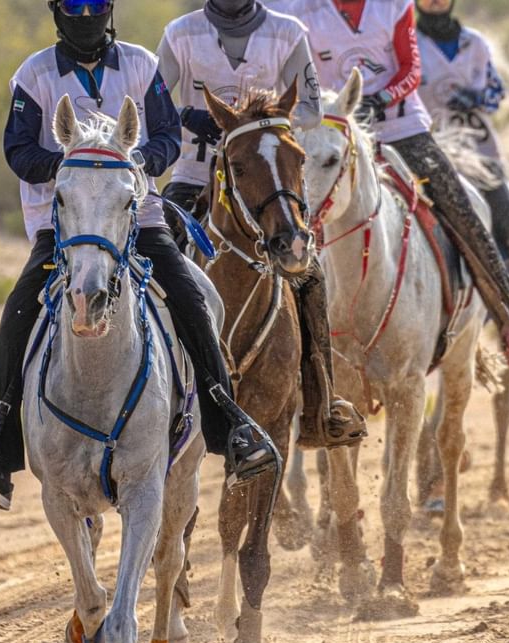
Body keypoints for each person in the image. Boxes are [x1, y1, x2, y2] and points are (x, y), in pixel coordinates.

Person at [0, 0, 276, 510]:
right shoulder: (32, 76)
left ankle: (230, 428)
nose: (85, 12)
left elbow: (167, 135)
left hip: (135, 219)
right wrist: (76, 164)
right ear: (57, 12)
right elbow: (18, 152)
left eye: (95, 3)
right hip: (66, 231)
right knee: (13, 320)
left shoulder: (142, 65)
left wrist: (135, 161)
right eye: (73, 4)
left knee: (191, 301)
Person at [267, 0, 509, 369]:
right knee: (287, 209)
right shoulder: (299, 10)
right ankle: (276, 339)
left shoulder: (394, 6)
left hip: (401, 128)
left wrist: (380, 99)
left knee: (460, 208)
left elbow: (411, 70)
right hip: (330, 132)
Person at [157, 0, 367, 450]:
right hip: (195, 177)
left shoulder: (288, 32)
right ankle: (144, 400)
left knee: (308, 276)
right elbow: (152, 104)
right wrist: (193, 118)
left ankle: (320, 406)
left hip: (266, 181)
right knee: (150, 262)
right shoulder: (180, 33)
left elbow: (309, 108)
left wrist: (256, 117)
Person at [415, 0, 509, 313]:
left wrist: (476, 97)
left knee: (507, 213)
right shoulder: (408, 41)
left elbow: (497, 92)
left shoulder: (475, 42)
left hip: (479, 149)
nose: (434, 1)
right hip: (429, 148)